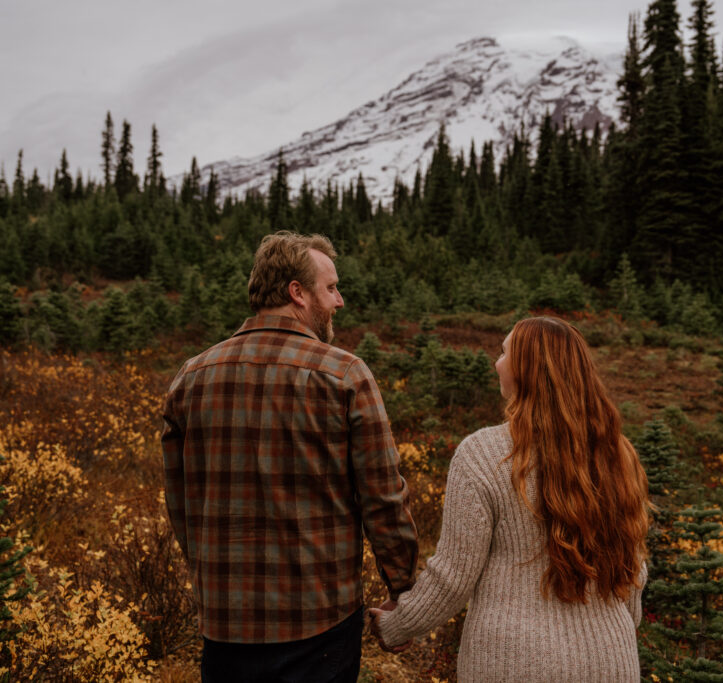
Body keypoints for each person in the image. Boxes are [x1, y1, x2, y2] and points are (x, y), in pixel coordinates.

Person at [162, 231, 418, 682]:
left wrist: (211, 576)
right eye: (331, 288)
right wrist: (404, 592)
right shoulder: (344, 375)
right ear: (296, 293)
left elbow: (180, 503)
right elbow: (382, 498)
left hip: (224, 627)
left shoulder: (191, 377)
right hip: (319, 624)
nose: (339, 301)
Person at [369, 316, 650, 682]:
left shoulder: (483, 454)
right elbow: (633, 570)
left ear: (526, 370)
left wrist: (397, 625)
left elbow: (454, 577)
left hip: (513, 663)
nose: (496, 362)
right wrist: (607, 630)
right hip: (612, 661)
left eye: (504, 353)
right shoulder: (617, 454)